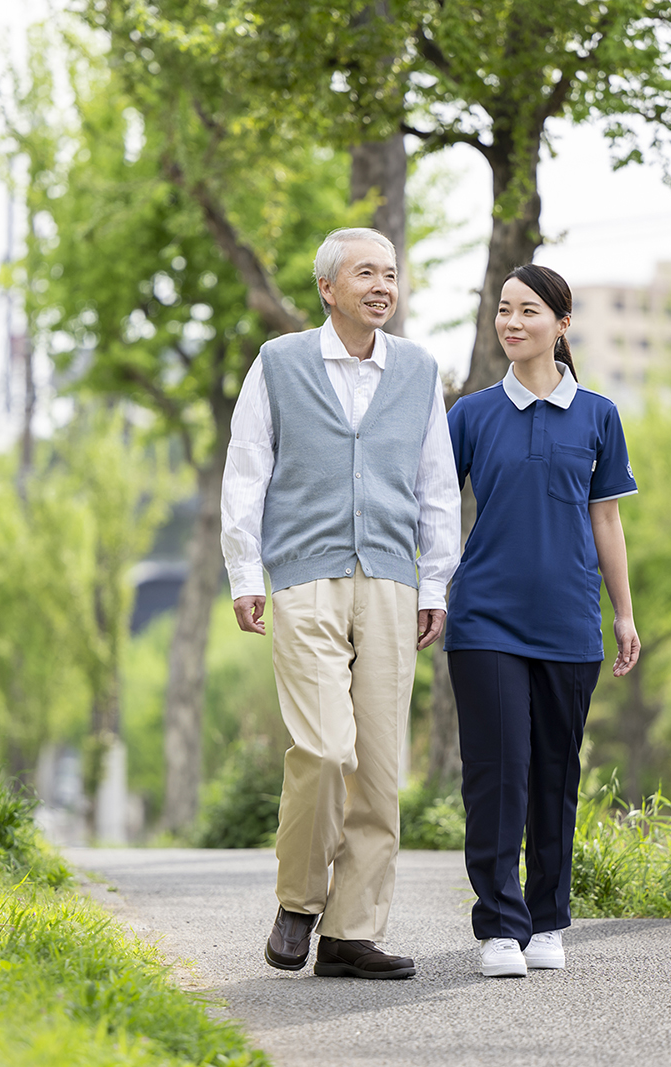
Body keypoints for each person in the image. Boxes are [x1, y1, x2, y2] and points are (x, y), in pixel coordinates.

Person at [220, 227, 461, 980]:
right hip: (305, 577)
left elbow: (436, 485)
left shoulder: (419, 370)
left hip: (391, 579)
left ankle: (352, 933)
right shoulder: (278, 363)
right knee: (325, 750)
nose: (382, 286)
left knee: (380, 768)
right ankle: (299, 900)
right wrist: (245, 574)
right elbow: (246, 471)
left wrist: (434, 583)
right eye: (366, 273)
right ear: (328, 288)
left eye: (390, 274)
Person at [444, 263, 641, 978]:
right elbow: (435, 510)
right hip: (484, 619)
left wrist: (623, 613)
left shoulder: (598, 415)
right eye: (504, 309)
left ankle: (548, 919)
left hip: (567, 621)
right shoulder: (469, 415)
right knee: (496, 773)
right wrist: (428, 592)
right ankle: (500, 926)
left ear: (561, 324)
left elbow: (606, 518)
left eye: (528, 310)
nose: (512, 322)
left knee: (555, 774)